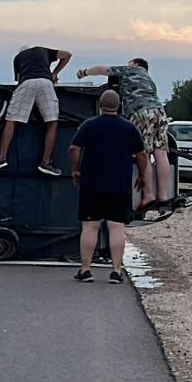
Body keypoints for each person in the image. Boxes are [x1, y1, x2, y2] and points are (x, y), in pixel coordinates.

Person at [68, 89, 151, 283]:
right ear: (119, 106)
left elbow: (73, 148)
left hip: (92, 184)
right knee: (116, 227)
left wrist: (75, 169)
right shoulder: (129, 128)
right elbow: (141, 154)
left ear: (100, 105)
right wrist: (142, 175)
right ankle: (116, 271)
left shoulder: (89, 125)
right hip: (119, 185)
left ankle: (85, 269)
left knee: (90, 227)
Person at [76, 59, 169, 209]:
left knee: (143, 153)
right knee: (161, 152)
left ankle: (148, 195)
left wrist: (84, 72)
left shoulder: (130, 70)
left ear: (135, 64)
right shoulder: (149, 80)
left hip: (141, 112)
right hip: (159, 111)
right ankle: (163, 195)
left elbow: (103, 68)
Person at [0, 45, 72, 176]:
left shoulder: (18, 58)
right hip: (46, 82)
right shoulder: (43, 50)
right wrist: (54, 73)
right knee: (52, 122)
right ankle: (46, 163)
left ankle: (1, 159)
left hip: (26, 83)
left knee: (11, 120)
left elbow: (18, 79)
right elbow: (67, 55)